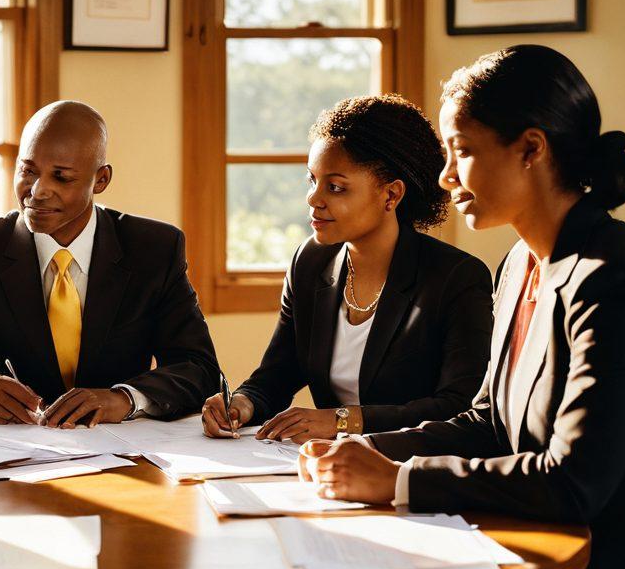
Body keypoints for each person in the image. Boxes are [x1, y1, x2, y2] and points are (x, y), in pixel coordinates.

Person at [299, 46, 625, 569]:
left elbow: (573, 482)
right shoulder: (517, 265)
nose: (445, 177)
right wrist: (370, 451)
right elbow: (487, 419)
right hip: (518, 562)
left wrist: (400, 480)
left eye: (460, 149)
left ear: (531, 149)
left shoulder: (617, 281)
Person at [0, 100, 220, 426]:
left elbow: (199, 369)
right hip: (14, 454)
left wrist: (122, 399)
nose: (37, 191)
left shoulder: (154, 249)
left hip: (128, 455)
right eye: (28, 171)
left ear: (101, 180)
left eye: (61, 177)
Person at [201, 95, 493, 442]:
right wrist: (243, 403)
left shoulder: (456, 277)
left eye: (335, 187)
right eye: (312, 180)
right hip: (323, 468)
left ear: (391, 195)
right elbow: (277, 374)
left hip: (409, 469)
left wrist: (344, 421)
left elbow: (458, 407)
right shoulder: (310, 262)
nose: (313, 198)